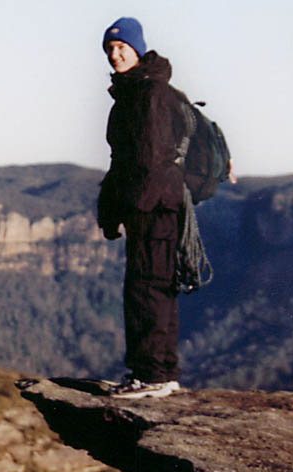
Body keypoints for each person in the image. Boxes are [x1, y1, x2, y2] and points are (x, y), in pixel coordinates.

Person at [97, 17, 187, 399]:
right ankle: (157, 372)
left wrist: (133, 208)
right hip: (153, 206)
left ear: (138, 48)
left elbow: (149, 159)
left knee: (147, 288)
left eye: (122, 48)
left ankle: (152, 376)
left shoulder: (148, 94)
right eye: (110, 49)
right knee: (153, 288)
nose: (115, 55)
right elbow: (122, 161)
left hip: (154, 208)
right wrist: (110, 209)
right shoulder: (135, 92)